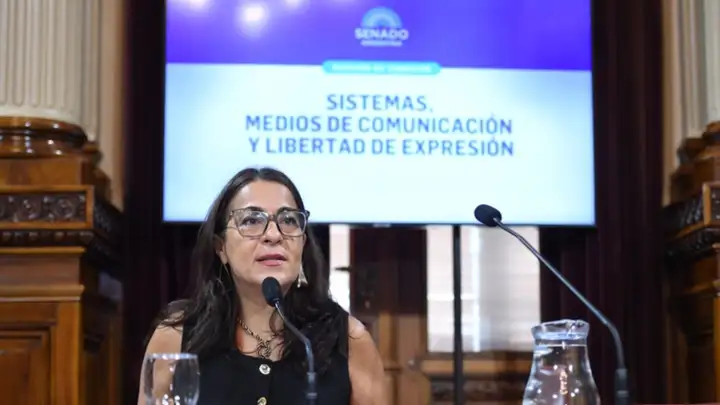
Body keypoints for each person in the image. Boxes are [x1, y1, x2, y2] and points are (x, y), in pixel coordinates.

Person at [139, 167, 388, 405]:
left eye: (288, 220)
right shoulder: (176, 337)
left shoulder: (349, 341)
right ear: (220, 247)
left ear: (303, 244)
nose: (274, 235)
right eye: (251, 220)